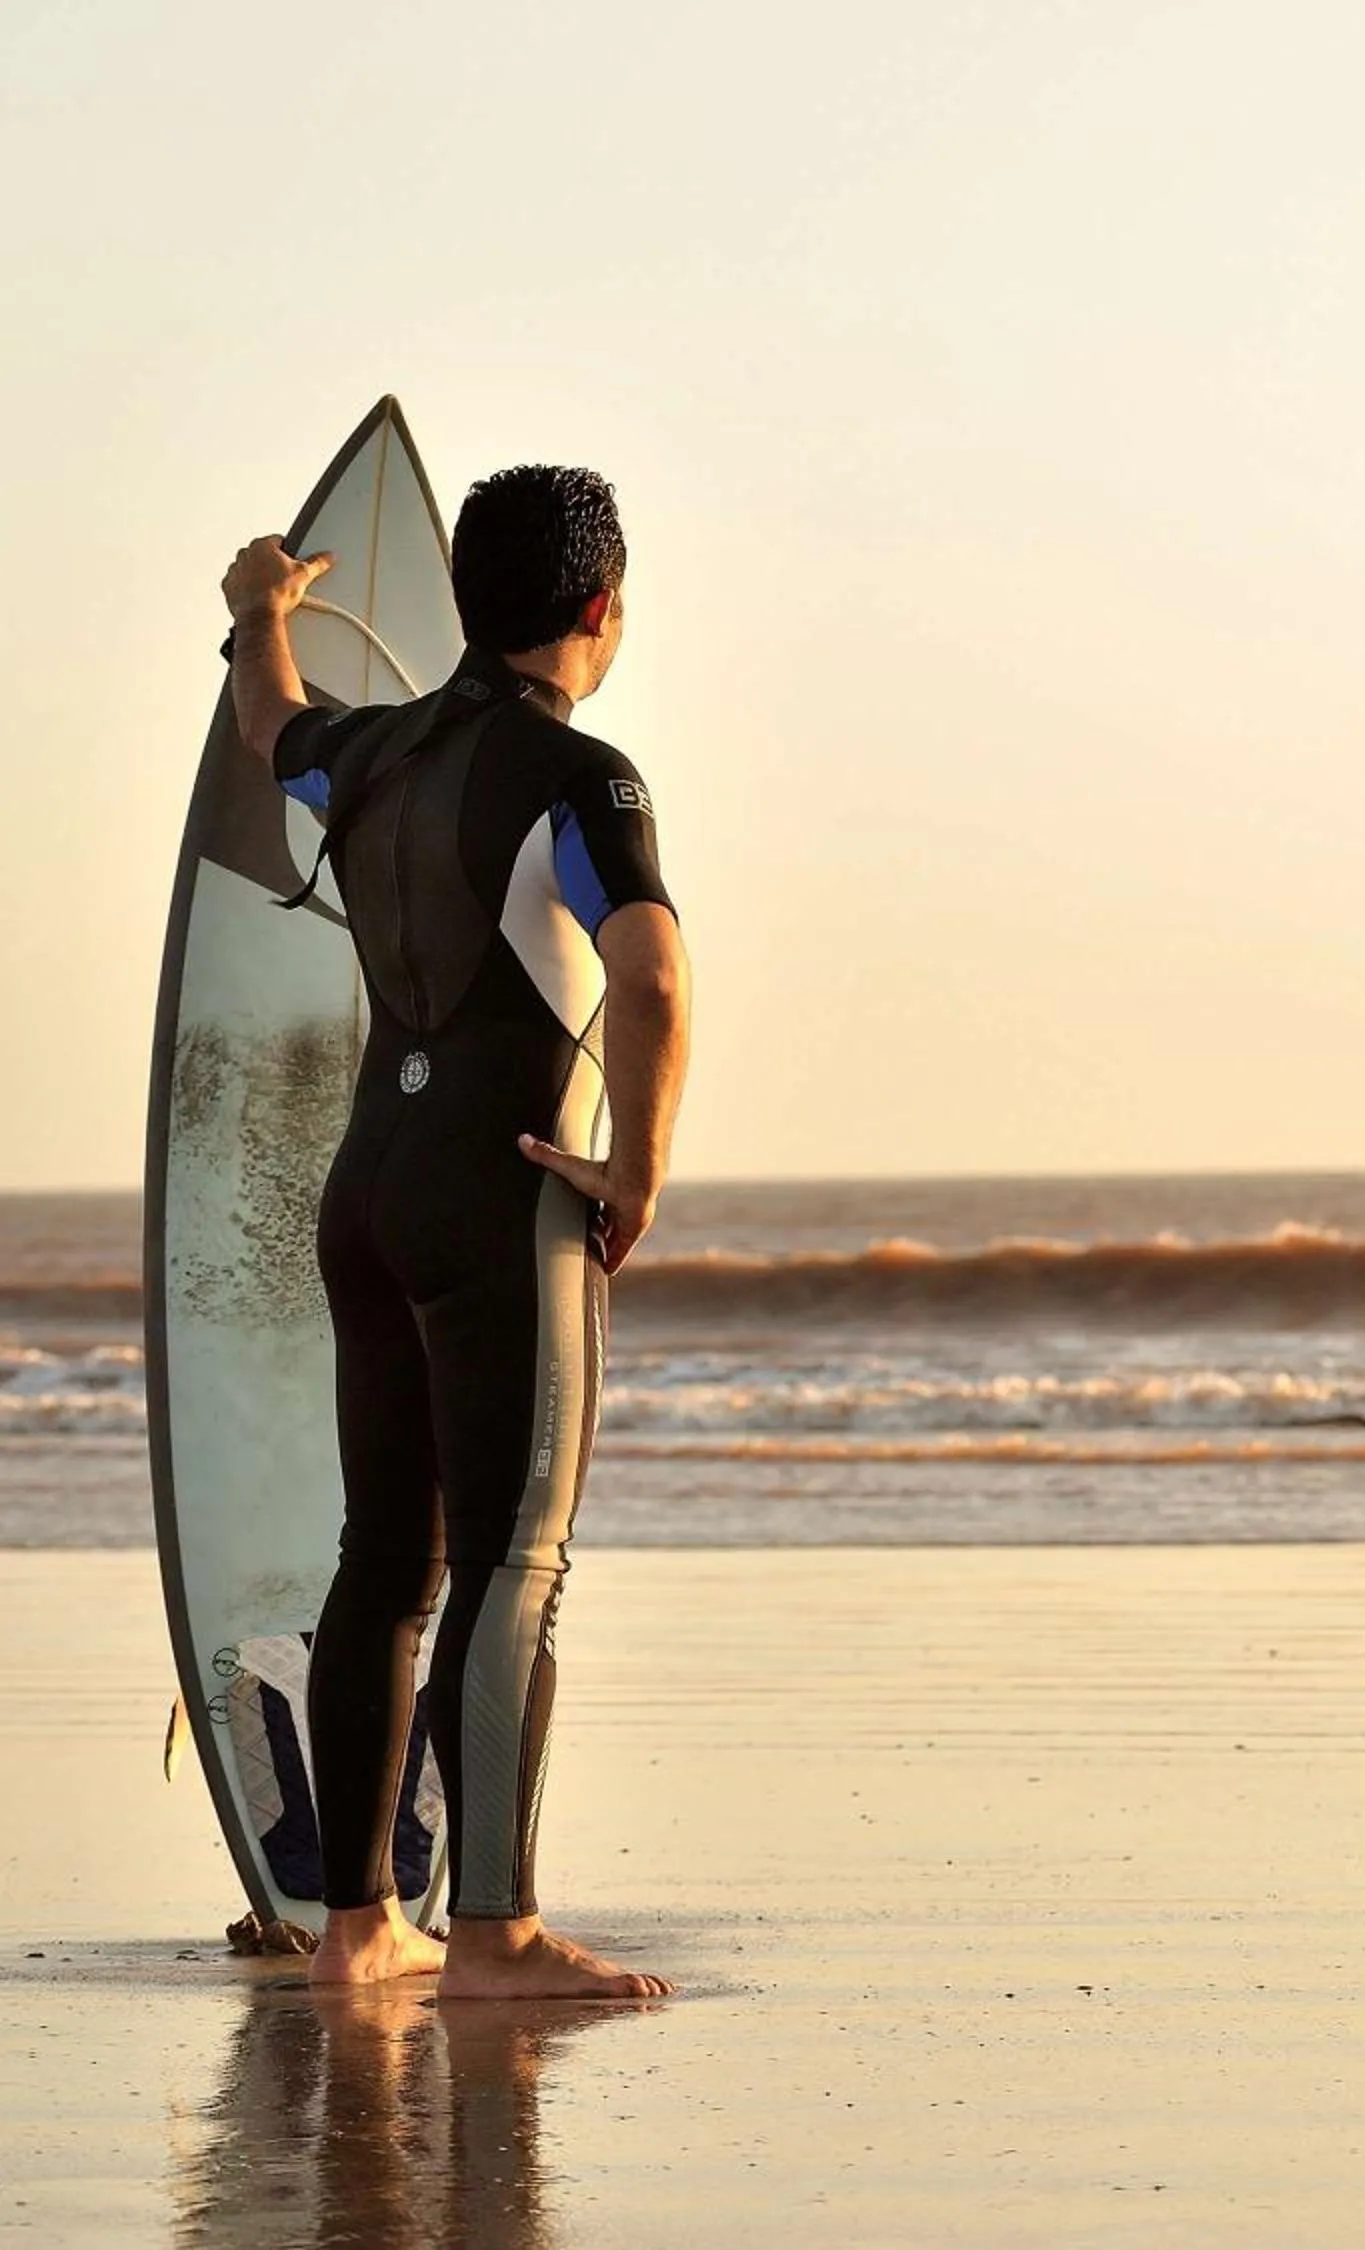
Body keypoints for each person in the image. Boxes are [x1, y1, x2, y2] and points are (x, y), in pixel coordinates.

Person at [219, 463, 691, 1999]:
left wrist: (253, 614)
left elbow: (267, 725)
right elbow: (652, 976)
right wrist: (636, 1166)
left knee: (387, 1558)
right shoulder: (582, 775)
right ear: (599, 608)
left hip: (365, 1185)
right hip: (499, 1189)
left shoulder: (360, 753)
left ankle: (359, 1927)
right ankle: (495, 1929)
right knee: (514, 1560)